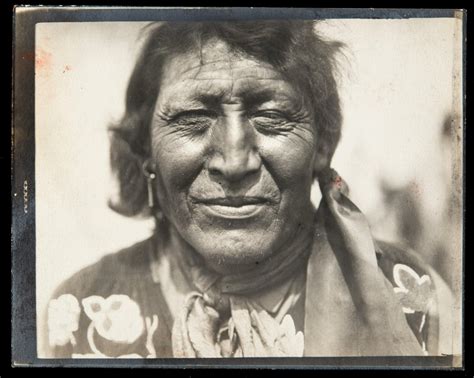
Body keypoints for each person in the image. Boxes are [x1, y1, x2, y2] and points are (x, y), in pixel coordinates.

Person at [44, 20, 455, 358]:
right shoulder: (79, 313)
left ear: (322, 144)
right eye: (191, 118)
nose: (235, 161)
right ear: (146, 148)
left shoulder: (417, 301)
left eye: (272, 116)